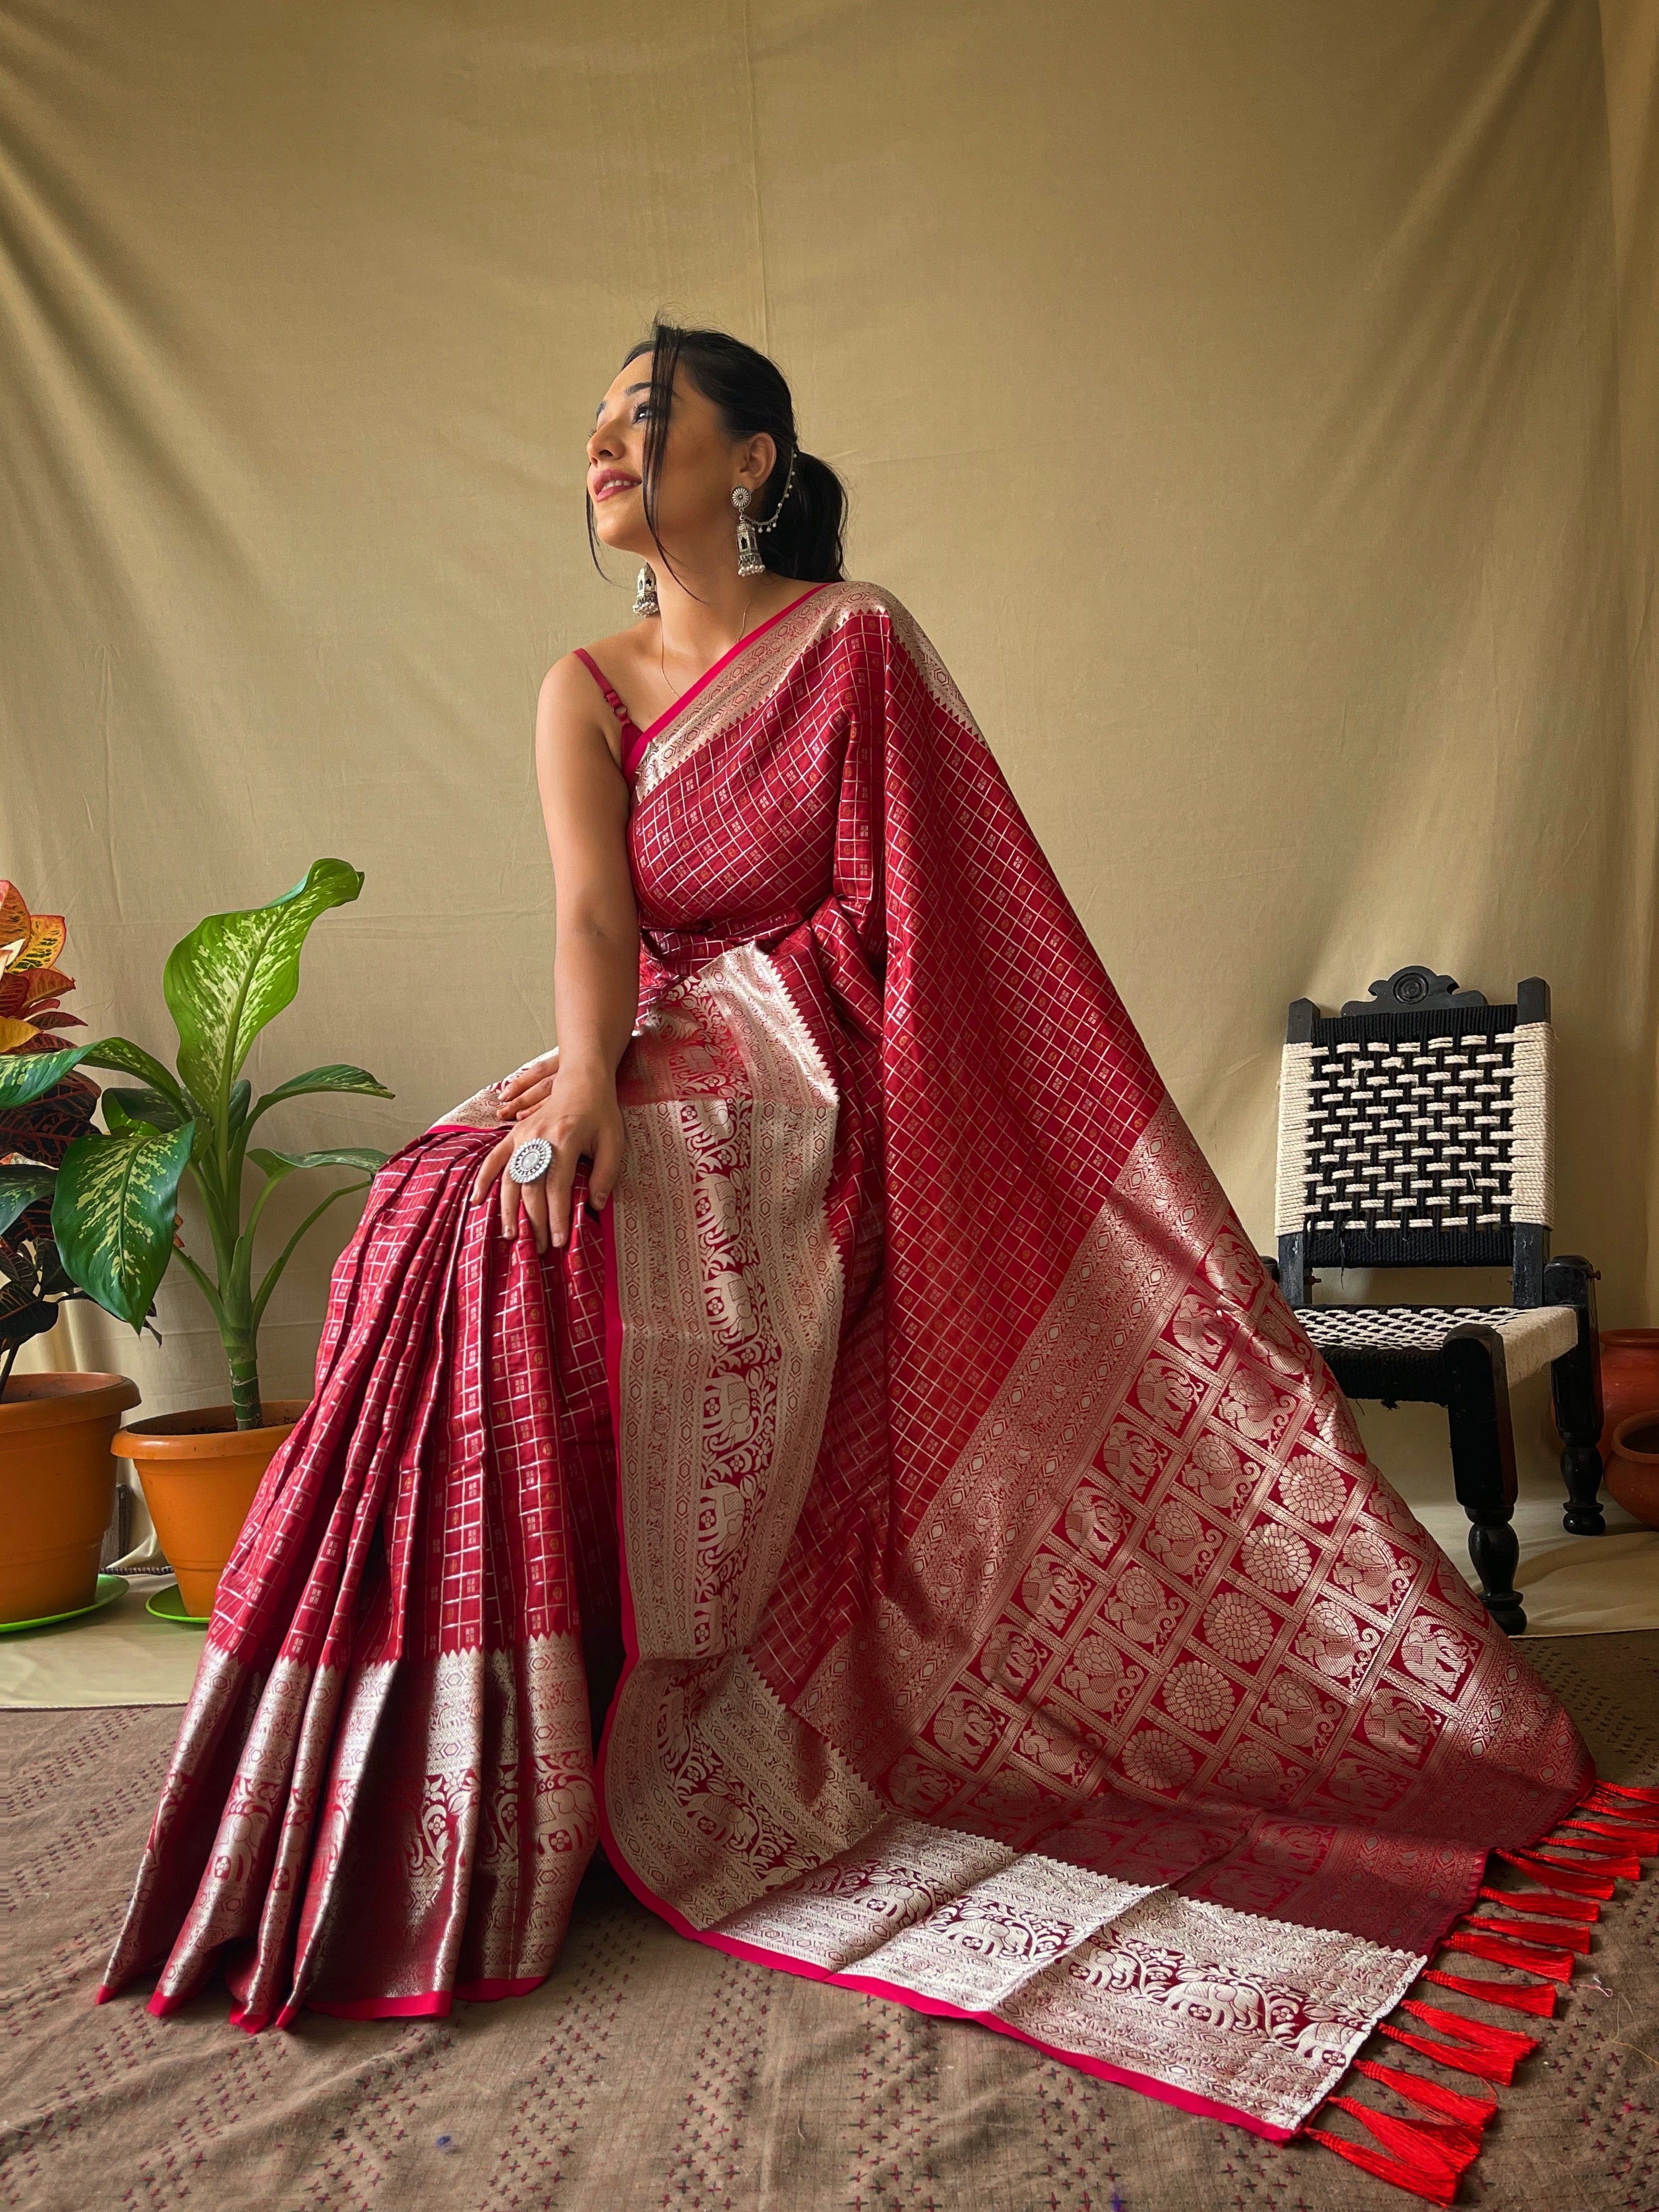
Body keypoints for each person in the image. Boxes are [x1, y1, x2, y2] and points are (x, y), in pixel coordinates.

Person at [101, 324, 1609, 2175]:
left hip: (825, 1063)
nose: (599, 442)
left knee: (537, 1204)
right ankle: (451, 1787)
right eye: (590, 420)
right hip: (655, 1043)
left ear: (754, 460)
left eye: (645, 413)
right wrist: (579, 1082)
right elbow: (592, 911)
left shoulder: (852, 639)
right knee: (436, 1218)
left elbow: (950, 912)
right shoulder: (579, 678)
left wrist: (783, 1093)